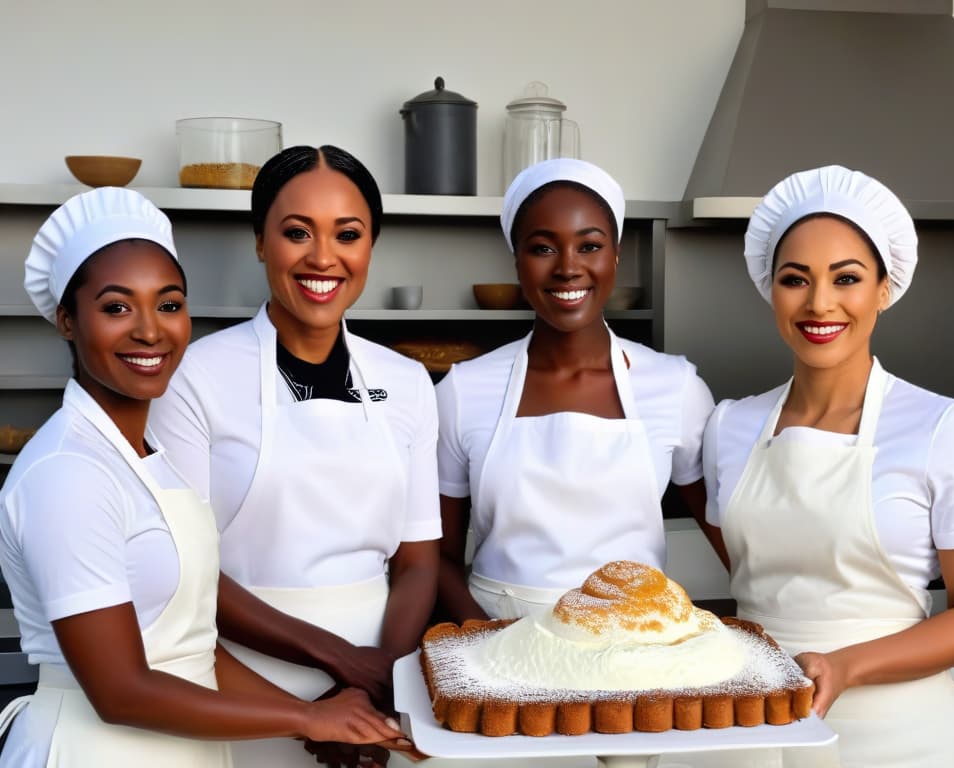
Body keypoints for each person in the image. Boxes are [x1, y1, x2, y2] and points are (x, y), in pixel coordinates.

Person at [0, 188, 406, 767]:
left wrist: (324, 726)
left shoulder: (147, 456)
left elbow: (191, 650)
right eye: (116, 307)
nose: (149, 331)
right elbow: (120, 692)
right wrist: (306, 716)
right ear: (67, 319)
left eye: (168, 305)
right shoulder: (68, 473)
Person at [702, 165, 954, 767]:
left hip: (901, 735)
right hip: (755, 728)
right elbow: (758, 581)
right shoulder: (730, 426)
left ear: (883, 288)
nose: (820, 303)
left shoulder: (945, 427)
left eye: (847, 278)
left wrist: (843, 666)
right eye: (796, 279)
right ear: (771, 290)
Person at [149, 145, 441, 767]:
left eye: (349, 234)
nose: (323, 257)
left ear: (370, 248)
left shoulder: (409, 381)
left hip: (384, 674)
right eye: (296, 232)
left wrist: (376, 680)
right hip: (242, 675)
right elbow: (184, 573)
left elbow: (418, 561)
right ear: (260, 242)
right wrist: (335, 674)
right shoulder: (195, 377)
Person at [435, 158, 720, 622]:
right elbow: (436, 558)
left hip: (633, 649)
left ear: (616, 256)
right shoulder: (463, 392)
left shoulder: (675, 388)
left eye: (589, 246)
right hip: (499, 641)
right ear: (516, 260)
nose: (568, 268)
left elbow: (732, 539)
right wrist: (483, 637)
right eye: (543, 248)